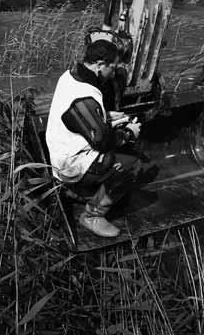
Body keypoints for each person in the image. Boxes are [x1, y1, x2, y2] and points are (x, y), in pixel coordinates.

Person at [46, 40, 142, 238]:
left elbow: (78, 118)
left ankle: (76, 191)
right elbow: (103, 141)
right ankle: (92, 216)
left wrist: (105, 115)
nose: (114, 73)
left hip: (61, 151)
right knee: (131, 164)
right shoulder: (85, 96)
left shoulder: (71, 75)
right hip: (71, 164)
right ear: (100, 64)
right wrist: (129, 132)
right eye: (112, 68)